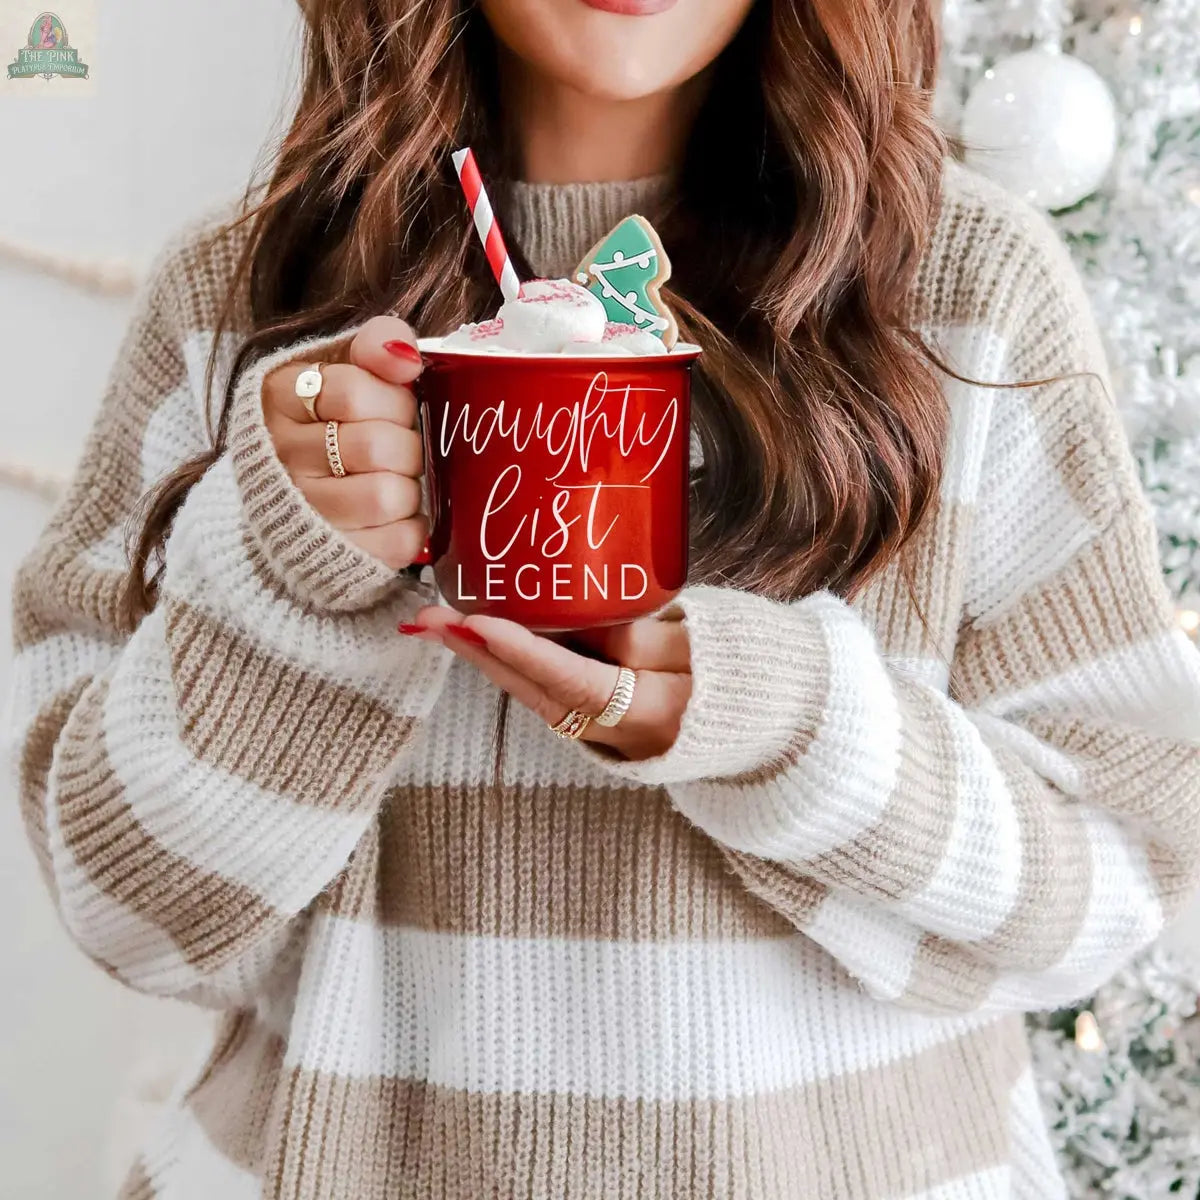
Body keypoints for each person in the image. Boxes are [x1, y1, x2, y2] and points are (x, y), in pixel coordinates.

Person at [11, 0, 1200, 1195]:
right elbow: (131, 918)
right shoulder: (238, 301)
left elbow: (1121, 876)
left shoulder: (960, 293)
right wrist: (278, 573)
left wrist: (789, 727)